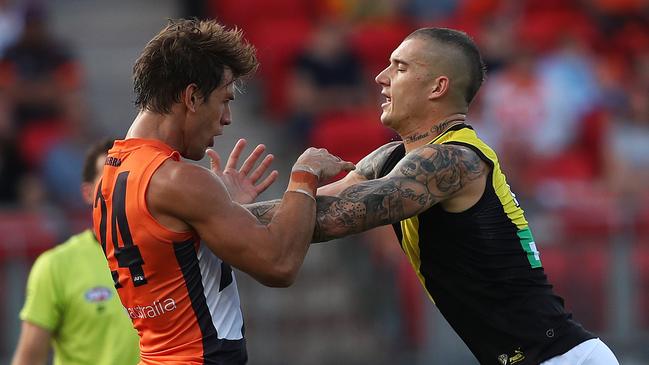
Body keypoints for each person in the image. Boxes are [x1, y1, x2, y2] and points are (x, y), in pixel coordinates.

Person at [246, 28, 619, 365]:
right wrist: (221, 211)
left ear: (437, 88)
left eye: (400, 67)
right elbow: (301, 212)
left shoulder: (454, 161)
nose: (381, 77)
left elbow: (335, 216)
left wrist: (300, 177)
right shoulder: (390, 158)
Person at [91, 19, 354, 365]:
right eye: (224, 100)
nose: (227, 118)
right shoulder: (179, 181)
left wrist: (224, 205)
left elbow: (173, 252)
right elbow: (279, 265)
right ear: (192, 96)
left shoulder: (111, 173)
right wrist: (304, 175)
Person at [11, 139, 139, 365]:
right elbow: (28, 359)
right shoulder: (56, 265)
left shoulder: (171, 256)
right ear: (88, 193)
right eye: (109, 177)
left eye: (129, 177)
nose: (121, 186)